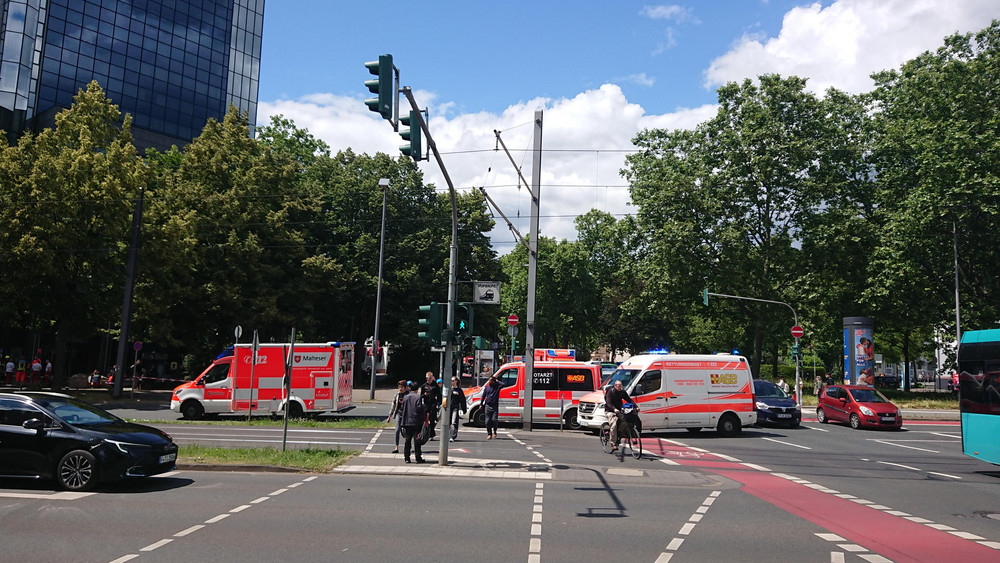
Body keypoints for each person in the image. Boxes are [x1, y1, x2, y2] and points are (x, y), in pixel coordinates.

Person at [604, 379, 638, 453]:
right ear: (615, 386)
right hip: (609, 411)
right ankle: (613, 443)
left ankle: (620, 434)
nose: (620, 387)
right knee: (614, 424)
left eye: (621, 386)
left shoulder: (622, 392)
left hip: (619, 410)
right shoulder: (611, 391)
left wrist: (636, 406)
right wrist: (614, 409)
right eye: (618, 386)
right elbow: (608, 403)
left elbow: (629, 399)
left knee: (626, 420)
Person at [399, 380, 426, 463]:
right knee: (417, 441)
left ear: (410, 388)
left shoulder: (405, 397)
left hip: (406, 421)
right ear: (417, 389)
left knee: (407, 440)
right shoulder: (418, 397)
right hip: (416, 421)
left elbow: (402, 409)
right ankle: (418, 457)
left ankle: (407, 457)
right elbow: (419, 409)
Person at [385, 380, 408, 454]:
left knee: (406, 432)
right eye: (399, 387)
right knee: (397, 430)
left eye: (401, 387)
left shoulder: (407, 395)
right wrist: (389, 416)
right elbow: (393, 406)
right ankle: (396, 446)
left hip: (406, 415)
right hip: (398, 413)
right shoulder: (397, 395)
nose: (400, 389)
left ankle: (407, 446)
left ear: (405, 387)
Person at [421, 371, 441, 439]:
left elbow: (439, 396)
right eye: (427, 378)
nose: (428, 380)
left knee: (432, 419)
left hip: (433, 404)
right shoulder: (424, 386)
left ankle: (431, 434)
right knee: (425, 418)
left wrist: (438, 404)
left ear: (432, 378)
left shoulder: (435, 386)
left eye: (429, 378)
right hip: (426, 404)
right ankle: (426, 431)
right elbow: (420, 396)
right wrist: (424, 395)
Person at [481, 373, 502, 439]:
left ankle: (495, 430)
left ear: (494, 381)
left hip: (494, 406)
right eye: (489, 381)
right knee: (487, 421)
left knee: (494, 420)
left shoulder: (497, 387)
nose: (489, 382)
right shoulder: (487, 388)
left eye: (491, 381)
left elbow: (503, 384)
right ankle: (489, 434)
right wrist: (481, 404)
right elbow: (483, 396)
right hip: (488, 405)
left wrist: (497, 381)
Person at [448, 376, 467, 442]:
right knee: (448, 422)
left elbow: (462, 400)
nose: (452, 382)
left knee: (454, 422)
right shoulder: (449, 389)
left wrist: (464, 409)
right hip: (448, 408)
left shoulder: (459, 390)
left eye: (453, 381)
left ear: (456, 381)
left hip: (455, 407)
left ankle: (452, 436)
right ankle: (448, 435)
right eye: (451, 381)